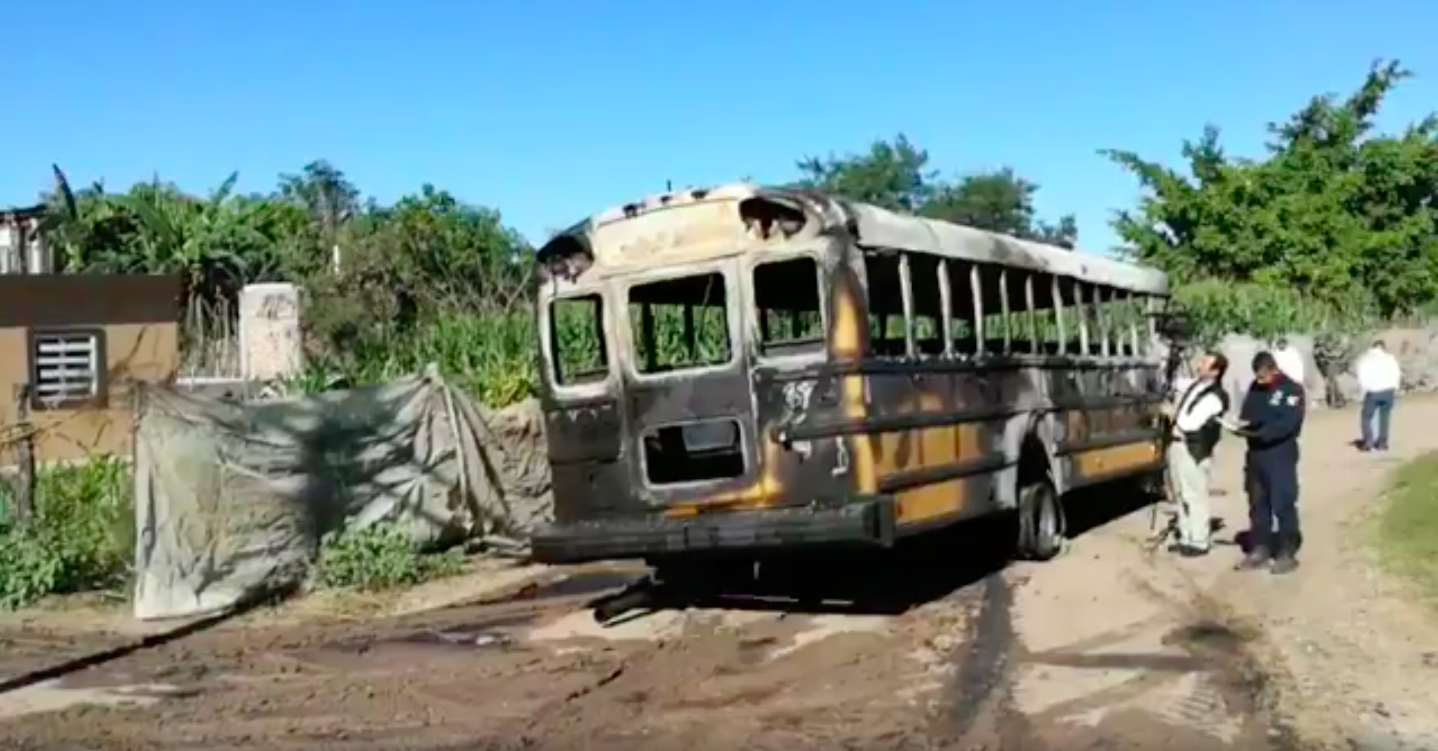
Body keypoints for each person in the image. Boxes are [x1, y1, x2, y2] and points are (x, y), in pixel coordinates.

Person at [1232, 351, 1307, 575]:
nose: (1260, 380)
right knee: (1257, 503)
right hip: (1256, 454)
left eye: (1263, 376)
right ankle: (1260, 547)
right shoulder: (1256, 388)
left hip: (1279, 453)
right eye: (1257, 376)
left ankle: (1287, 550)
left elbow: (1290, 423)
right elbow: (1248, 415)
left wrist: (1263, 433)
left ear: (1273, 369)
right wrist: (1242, 428)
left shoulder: (1291, 390)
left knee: (1283, 502)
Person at [1163, 352, 1230, 557]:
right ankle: (1186, 537)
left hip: (1193, 449)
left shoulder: (1216, 396)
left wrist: (1171, 414)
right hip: (1177, 445)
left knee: (1194, 494)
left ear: (1216, 371)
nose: (1199, 365)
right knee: (1180, 494)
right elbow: (1173, 382)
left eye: (1205, 363)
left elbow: (1191, 423)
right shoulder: (1196, 386)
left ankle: (1199, 541)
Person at [1355, 340, 1401, 452]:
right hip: (1388, 390)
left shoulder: (1365, 359)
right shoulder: (1390, 358)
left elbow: (1361, 376)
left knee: (1366, 417)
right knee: (1384, 417)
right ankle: (1382, 443)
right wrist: (1395, 387)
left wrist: (1362, 391)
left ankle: (1368, 441)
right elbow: (1396, 373)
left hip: (1373, 391)